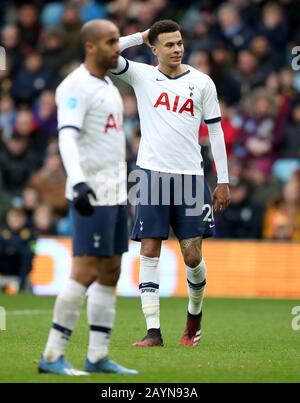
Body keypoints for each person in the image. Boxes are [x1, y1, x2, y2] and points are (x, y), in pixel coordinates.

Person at [112, 20, 230, 347]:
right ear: (154, 48)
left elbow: (215, 131)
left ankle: (194, 317)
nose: (177, 49)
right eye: (169, 44)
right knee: (149, 249)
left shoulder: (202, 82)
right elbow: (107, 52)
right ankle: (153, 331)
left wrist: (223, 180)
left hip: (191, 177)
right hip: (150, 174)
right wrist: (138, 35)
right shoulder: (141, 74)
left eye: (179, 43)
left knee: (192, 256)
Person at [38, 19, 138, 376]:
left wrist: (143, 36)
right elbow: (66, 137)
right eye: (112, 42)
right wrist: (78, 183)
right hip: (91, 194)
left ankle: (97, 356)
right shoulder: (75, 87)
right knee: (84, 271)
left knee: (111, 270)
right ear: (91, 47)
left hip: (114, 194)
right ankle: (51, 355)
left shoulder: (108, 84)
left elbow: (118, 44)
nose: (117, 47)